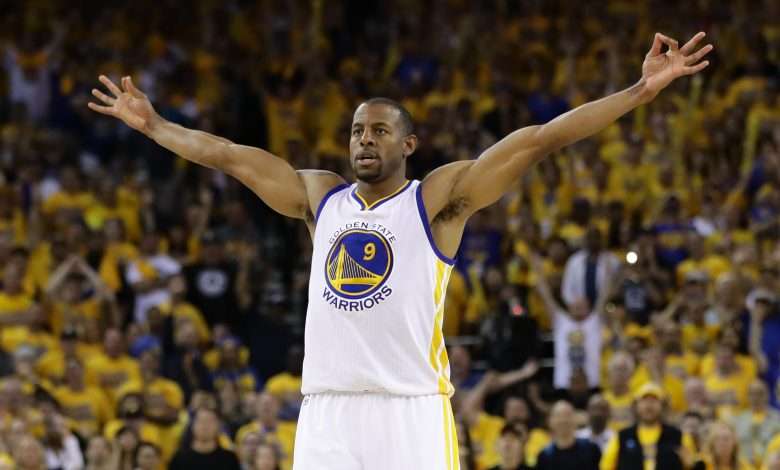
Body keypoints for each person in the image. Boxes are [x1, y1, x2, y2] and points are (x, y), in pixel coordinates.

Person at [88, 30, 712, 469]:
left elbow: (537, 141)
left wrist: (637, 92)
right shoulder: (319, 198)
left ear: (409, 144)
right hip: (327, 409)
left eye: (380, 130)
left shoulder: (438, 199)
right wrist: (156, 126)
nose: (364, 139)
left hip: (410, 408)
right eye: (358, 129)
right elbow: (229, 157)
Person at [600, 382, 699, 470]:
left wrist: (692, 465)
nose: (649, 405)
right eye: (644, 400)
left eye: (654, 400)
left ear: (663, 406)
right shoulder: (621, 437)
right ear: (635, 406)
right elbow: (605, 466)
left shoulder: (680, 437)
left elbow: (693, 465)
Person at [168, 407, 241, 470]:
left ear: (218, 426)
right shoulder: (179, 459)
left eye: (210, 421)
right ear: (192, 426)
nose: (204, 425)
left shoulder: (229, 459)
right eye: (200, 421)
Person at [535, 401, 601, 470]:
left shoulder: (591, 449)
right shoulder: (544, 457)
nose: (563, 420)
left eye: (567, 415)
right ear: (550, 421)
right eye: (558, 416)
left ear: (575, 419)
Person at [730, 380, 780, 467]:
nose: (756, 398)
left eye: (760, 394)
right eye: (752, 394)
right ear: (747, 396)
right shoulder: (739, 420)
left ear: (767, 395)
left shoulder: (777, 418)